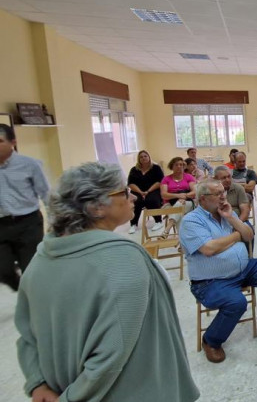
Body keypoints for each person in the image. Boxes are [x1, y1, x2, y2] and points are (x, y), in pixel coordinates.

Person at [15, 162, 199, 401]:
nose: (132, 196)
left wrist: (37, 383)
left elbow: (27, 336)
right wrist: (72, 397)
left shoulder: (41, 259)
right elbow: (111, 355)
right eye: (123, 192)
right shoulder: (122, 259)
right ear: (96, 207)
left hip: (57, 387)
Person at [180, 180, 257, 363]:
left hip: (242, 269)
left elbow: (249, 235)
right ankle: (211, 341)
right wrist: (236, 237)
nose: (223, 196)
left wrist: (231, 218)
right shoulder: (191, 221)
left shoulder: (227, 212)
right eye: (218, 193)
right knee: (237, 302)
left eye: (224, 192)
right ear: (203, 198)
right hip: (210, 281)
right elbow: (209, 249)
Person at [0, 124, 49, 291]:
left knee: (31, 269)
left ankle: (34, 298)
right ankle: (24, 289)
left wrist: (58, 223)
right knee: (3, 270)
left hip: (28, 223)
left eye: (0, 141)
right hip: (1, 226)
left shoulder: (29, 164)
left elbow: (45, 193)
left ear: (13, 142)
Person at [127, 150, 165, 234]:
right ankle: (133, 224)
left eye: (145, 156)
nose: (143, 158)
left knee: (152, 200)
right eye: (141, 157)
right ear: (138, 159)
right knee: (136, 201)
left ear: (149, 157)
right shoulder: (134, 170)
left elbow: (160, 181)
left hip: (153, 190)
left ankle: (158, 221)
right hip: (138, 191)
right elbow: (130, 183)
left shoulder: (156, 168)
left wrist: (148, 191)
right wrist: (140, 192)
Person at [160, 157, 197, 235]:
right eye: (176, 165)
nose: (179, 167)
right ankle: (182, 243)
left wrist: (185, 196)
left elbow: (194, 192)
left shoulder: (189, 177)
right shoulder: (166, 179)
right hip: (169, 204)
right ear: (172, 167)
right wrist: (178, 196)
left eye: (181, 165)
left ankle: (167, 228)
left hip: (188, 202)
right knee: (180, 214)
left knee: (180, 204)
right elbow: (164, 195)